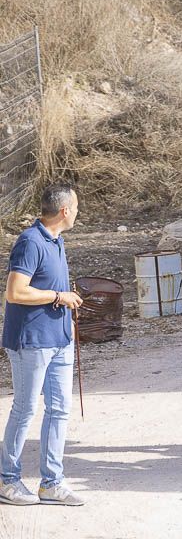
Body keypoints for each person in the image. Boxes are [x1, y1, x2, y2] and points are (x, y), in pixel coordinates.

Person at [1, 184, 85, 507]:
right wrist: (57, 297)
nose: (77, 212)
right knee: (25, 409)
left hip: (59, 341)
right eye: (75, 207)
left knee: (60, 409)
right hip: (31, 343)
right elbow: (15, 292)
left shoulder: (57, 241)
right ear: (64, 211)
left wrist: (67, 314)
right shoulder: (30, 242)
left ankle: (51, 483)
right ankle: (7, 480)